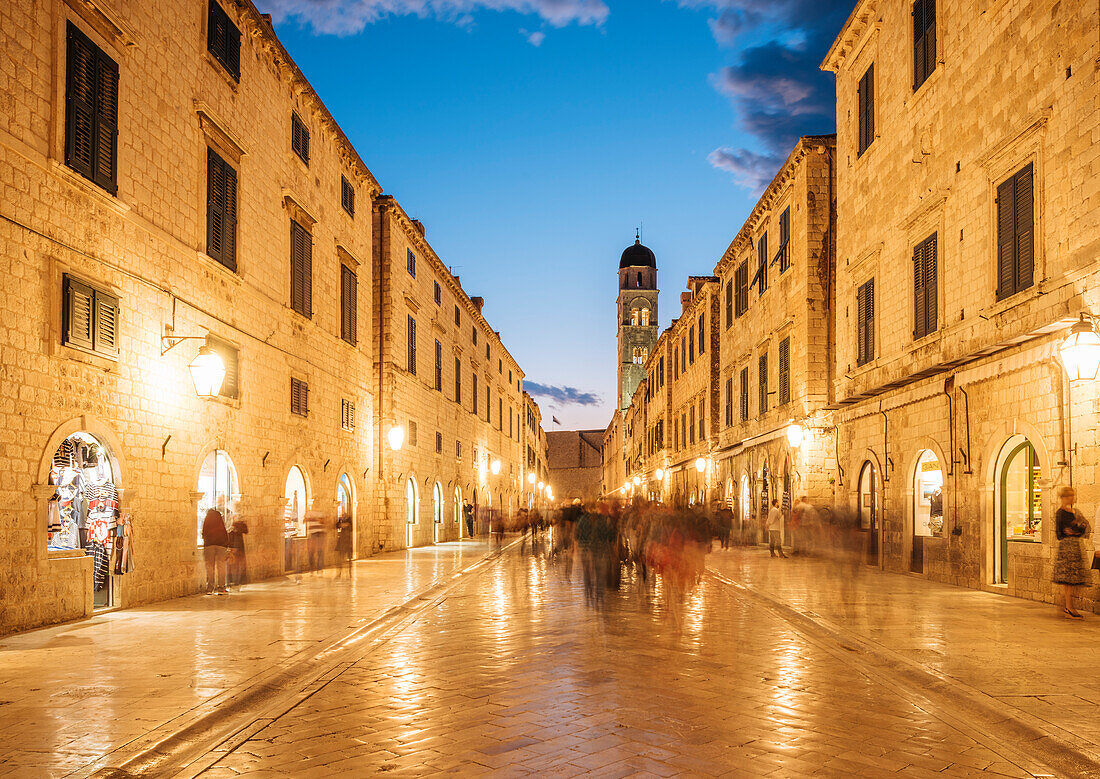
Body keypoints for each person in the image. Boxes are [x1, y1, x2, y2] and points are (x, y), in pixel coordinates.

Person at [1052, 486, 1090, 619]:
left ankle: (1067, 603)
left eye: (1072, 496)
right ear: (1063, 497)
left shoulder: (1076, 512)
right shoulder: (1060, 513)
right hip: (1066, 548)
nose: (1071, 498)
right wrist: (1072, 530)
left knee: (1076, 579)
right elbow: (1059, 533)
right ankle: (1069, 606)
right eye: (1068, 496)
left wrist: (1076, 529)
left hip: (1076, 546)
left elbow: (1085, 527)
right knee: (1068, 579)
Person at [201, 508, 230, 594]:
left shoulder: (207, 521)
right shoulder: (220, 520)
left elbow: (203, 533)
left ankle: (210, 588)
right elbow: (224, 533)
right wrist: (226, 544)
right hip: (221, 545)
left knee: (210, 567)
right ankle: (221, 588)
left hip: (209, 545)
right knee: (221, 567)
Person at [226, 519, 249, 590]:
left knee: (235, 566)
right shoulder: (235, 530)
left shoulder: (237, 529)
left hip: (236, 548)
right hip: (236, 548)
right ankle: (233, 581)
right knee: (234, 566)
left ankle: (234, 581)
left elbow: (246, 531)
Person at [334, 512, 353, 578]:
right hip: (342, 541)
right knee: (340, 557)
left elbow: (347, 525)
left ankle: (349, 573)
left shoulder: (349, 522)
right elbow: (337, 525)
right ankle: (339, 572)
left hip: (347, 541)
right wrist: (341, 521)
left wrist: (343, 524)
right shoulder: (341, 520)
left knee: (348, 558)